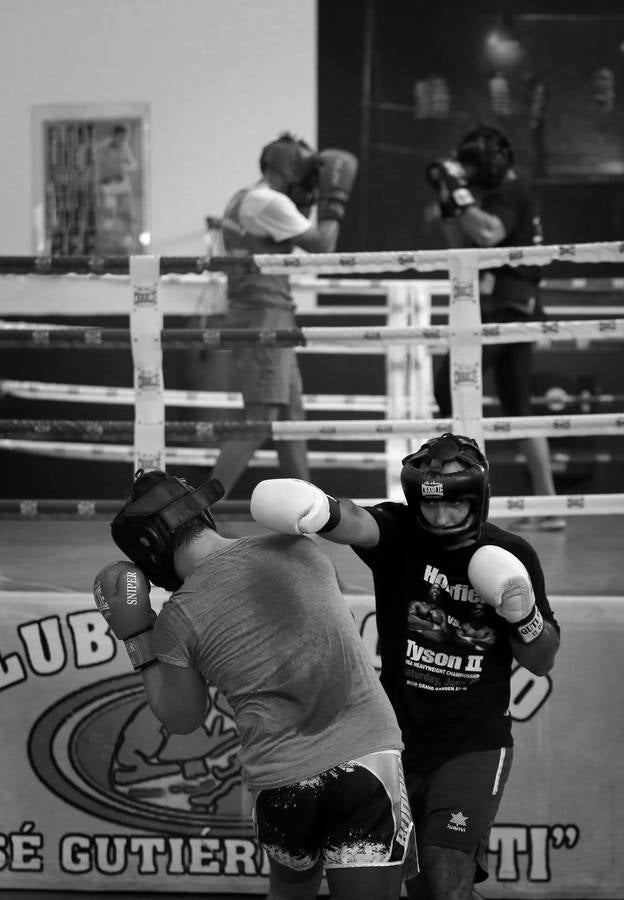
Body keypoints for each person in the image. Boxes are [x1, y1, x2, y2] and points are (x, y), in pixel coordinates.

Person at [249, 431, 561, 900]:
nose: (438, 516)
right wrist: (319, 508)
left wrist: (525, 615)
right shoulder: (399, 533)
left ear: (478, 499)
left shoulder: (512, 554)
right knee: (419, 889)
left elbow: (542, 660)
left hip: (473, 744)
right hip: (394, 742)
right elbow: (356, 521)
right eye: (428, 504)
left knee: (444, 876)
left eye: (452, 504)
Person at [92, 468, 414, 900]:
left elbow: (183, 719)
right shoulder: (300, 548)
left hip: (281, 781)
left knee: (287, 893)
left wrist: (137, 638)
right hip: (366, 760)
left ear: (145, 552)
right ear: (202, 513)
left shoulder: (177, 620)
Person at [424, 123, 565, 531]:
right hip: (515, 306)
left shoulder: (510, 193)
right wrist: (451, 201)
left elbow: (487, 233)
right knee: (519, 406)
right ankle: (551, 505)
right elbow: (461, 245)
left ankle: (463, 498)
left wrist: (461, 195)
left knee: (448, 386)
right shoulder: (502, 195)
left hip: (506, 307)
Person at [210, 132, 358, 497]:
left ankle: (310, 511)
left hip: (266, 311)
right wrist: (333, 198)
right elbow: (324, 246)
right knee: (261, 421)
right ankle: (198, 511)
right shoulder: (268, 201)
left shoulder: (244, 197)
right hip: (263, 316)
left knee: (291, 420)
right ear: (291, 167)